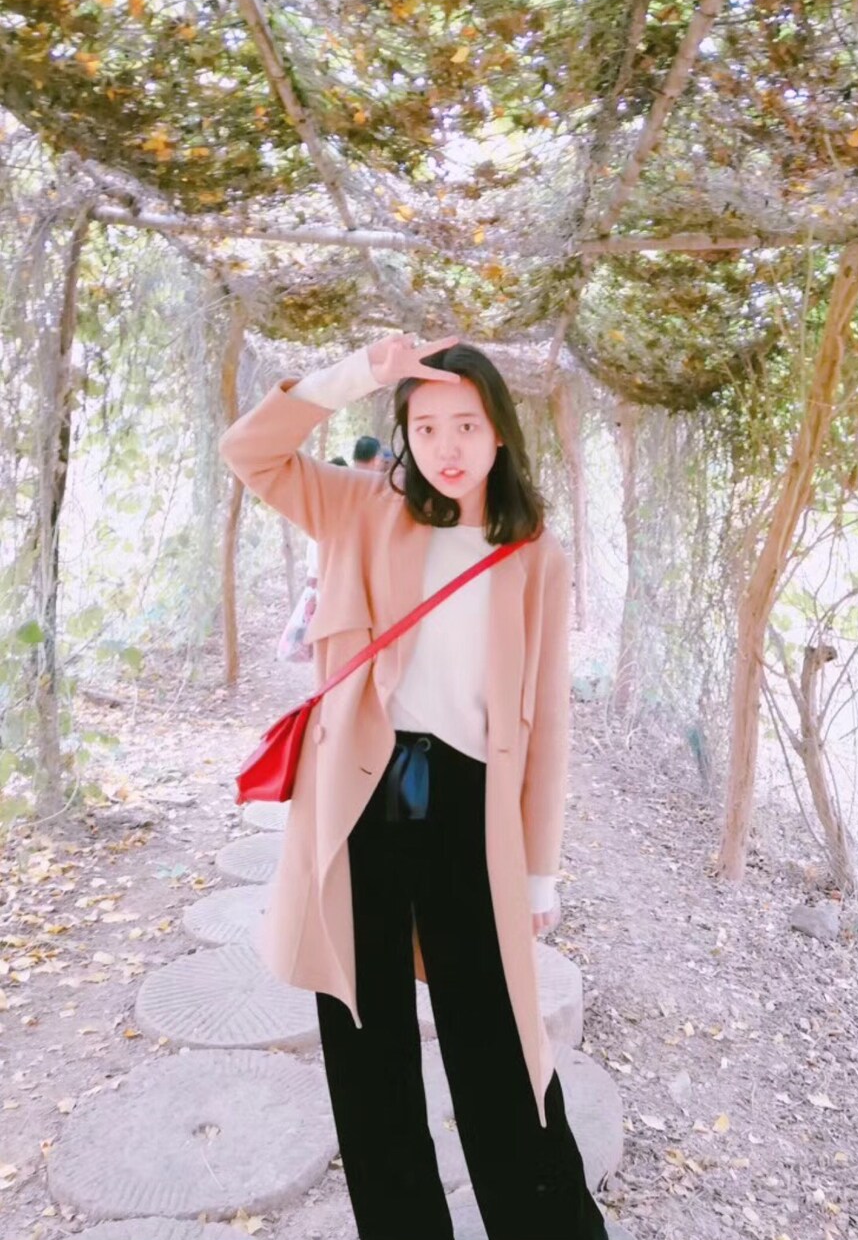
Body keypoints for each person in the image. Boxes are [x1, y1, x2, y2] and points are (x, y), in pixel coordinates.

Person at [219, 332, 607, 1240]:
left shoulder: (535, 556)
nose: (446, 446)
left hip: (472, 810)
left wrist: (540, 874)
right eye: (425, 427)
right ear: (404, 435)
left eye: (466, 424)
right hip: (362, 801)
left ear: (500, 432)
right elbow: (250, 452)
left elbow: (548, 725)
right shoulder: (362, 509)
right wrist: (358, 373)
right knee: (369, 1048)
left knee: (498, 1044)